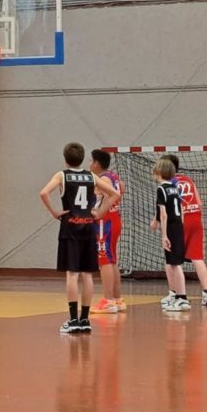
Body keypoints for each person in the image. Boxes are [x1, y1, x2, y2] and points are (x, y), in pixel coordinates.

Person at [40, 142, 120, 334]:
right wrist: (99, 212)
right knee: (87, 274)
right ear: (83, 159)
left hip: (70, 227)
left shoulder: (62, 175)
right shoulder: (91, 176)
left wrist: (54, 212)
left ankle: (73, 319)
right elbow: (114, 194)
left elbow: (44, 193)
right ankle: (85, 319)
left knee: (72, 274)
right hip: (88, 227)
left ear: (65, 159)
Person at [163, 154, 207, 306]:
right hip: (196, 219)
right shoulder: (188, 179)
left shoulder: (169, 183)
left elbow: (168, 207)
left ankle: (174, 294)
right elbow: (199, 203)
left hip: (181, 220)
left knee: (171, 259)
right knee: (197, 258)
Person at [150, 158, 190, 311]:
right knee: (174, 264)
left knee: (175, 264)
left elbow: (164, 214)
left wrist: (164, 236)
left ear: (159, 172)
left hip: (171, 228)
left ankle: (182, 298)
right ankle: (177, 296)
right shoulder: (174, 188)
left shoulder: (161, 189)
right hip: (178, 225)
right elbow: (180, 210)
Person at [89, 149, 126, 314]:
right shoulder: (113, 176)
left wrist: (100, 211)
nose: (90, 164)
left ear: (96, 163)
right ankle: (117, 299)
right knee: (111, 260)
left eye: (91, 161)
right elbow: (122, 189)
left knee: (104, 260)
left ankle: (108, 301)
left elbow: (113, 195)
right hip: (115, 219)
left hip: (105, 222)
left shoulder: (102, 179)